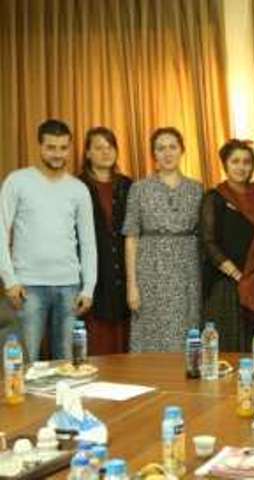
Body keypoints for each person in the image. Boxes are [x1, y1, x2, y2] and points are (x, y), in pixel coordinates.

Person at [0, 119, 97, 361]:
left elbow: (88, 241)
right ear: (39, 146)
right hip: (27, 287)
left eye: (63, 148)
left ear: (70, 148)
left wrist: (88, 287)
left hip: (70, 287)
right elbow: (1, 230)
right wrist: (9, 280)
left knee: (67, 363)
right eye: (51, 147)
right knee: (25, 362)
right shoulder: (17, 181)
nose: (57, 154)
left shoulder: (79, 189)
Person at [123, 127, 203, 352]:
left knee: (186, 333)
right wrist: (132, 285)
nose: (167, 153)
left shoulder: (196, 189)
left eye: (172, 147)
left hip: (186, 273)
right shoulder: (139, 189)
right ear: (153, 154)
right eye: (160, 148)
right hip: (150, 272)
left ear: (182, 151)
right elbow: (131, 237)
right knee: (150, 334)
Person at [200, 139, 254, 352]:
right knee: (229, 350)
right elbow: (208, 242)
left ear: (253, 166)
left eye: (246, 162)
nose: (241, 167)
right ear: (225, 165)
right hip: (226, 286)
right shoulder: (214, 198)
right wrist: (237, 276)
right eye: (235, 161)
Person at [78, 127, 133, 354]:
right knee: (96, 340)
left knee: (124, 336)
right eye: (99, 148)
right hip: (91, 270)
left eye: (110, 147)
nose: (105, 152)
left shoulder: (128, 185)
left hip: (123, 268)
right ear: (88, 153)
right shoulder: (77, 185)